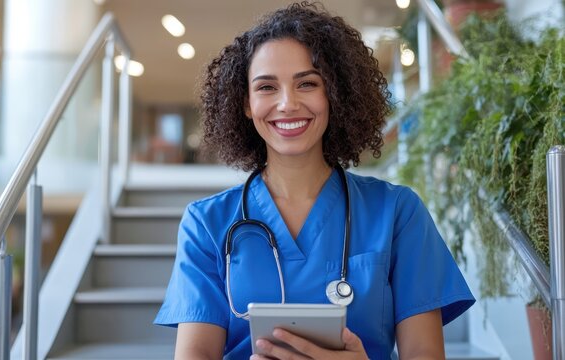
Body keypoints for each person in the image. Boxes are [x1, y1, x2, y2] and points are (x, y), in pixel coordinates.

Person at [154, 2, 475, 359]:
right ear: (246, 103)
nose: (288, 104)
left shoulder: (398, 212)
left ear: (334, 93)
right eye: (266, 87)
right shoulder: (207, 224)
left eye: (307, 83)